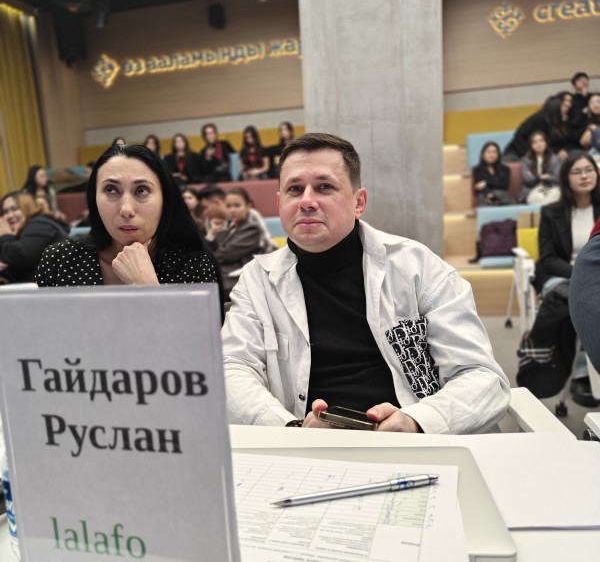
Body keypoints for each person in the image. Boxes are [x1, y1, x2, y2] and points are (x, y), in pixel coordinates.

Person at [221, 132, 510, 432]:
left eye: (324, 187)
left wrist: (418, 421)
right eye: (295, 189)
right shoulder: (257, 281)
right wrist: (292, 428)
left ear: (358, 202)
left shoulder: (418, 268)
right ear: (280, 203)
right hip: (308, 445)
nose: (306, 201)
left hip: (414, 442)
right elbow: (231, 370)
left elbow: (482, 378)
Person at [36, 144, 223, 304]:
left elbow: (201, 336)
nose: (126, 209)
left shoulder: (194, 264)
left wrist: (147, 286)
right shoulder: (59, 260)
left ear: (165, 199)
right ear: (94, 199)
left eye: (141, 190)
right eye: (111, 190)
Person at [532, 151, 600, 406]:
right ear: (565, 177)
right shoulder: (552, 212)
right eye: (577, 171)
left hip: (595, 273)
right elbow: (548, 258)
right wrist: (582, 275)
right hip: (559, 274)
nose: (584, 176)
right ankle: (581, 373)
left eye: (589, 170)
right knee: (582, 299)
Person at [0, 191, 69, 283]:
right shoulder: (22, 231)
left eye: (15, 209)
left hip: (60, 288)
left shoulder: (40, 224)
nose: (10, 215)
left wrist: (5, 236)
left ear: (28, 207)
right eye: (5, 212)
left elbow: (19, 257)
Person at [209, 187, 265, 299]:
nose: (232, 210)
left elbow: (224, 254)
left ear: (248, 206)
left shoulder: (251, 230)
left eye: (237, 205)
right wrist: (212, 233)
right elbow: (214, 249)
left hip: (238, 279)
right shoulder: (229, 229)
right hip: (225, 275)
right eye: (228, 206)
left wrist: (207, 258)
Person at [196, 185, 276, 252]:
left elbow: (270, 244)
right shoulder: (211, 222)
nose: (204, 213)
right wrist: (212, 233)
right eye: (228, 206)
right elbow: (212, 250)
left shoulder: (251, 215)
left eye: (205, 208)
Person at [504, 93, 579, 161]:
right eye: (561, 107)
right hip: (518, 151)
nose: (565, 110)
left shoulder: (559, 122)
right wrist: (528, 153)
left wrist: (561, 151)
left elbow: (556, 143)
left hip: (543, 155)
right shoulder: (538, 118)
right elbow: (519, 135)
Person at [570, 225, 600, 371]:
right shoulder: (593, 254)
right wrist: (572, 273)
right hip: (569, 274)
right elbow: (548, 259)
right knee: (558, 303)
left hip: (579, 275)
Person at [518, 131, 561, 204]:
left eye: (541, 141)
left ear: (546, 142)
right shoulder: (525, 161)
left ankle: (544, 209)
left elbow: (557, 178)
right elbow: (527, 180)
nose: (538, 144)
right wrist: (542, 176)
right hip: (532, 189)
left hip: (551, 187)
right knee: (537, 197)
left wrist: (534, 176)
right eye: (535, 142)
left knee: (554, 195)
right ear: (531, 145)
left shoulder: (555, 159)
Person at [472, 142, 513, 206]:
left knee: (508, 200)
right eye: (488, 152)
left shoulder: (505, 169)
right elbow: (479, 187)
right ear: (482, 155)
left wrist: (486, 183)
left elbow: (504, 186)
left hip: (502, 196)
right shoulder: (477, 170)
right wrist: (488, 193)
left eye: (494, 152)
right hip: (485, 196)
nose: (491, 155)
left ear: (498, 155)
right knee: (483, 200)